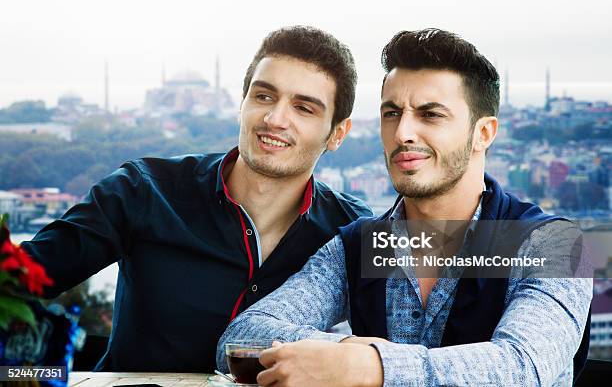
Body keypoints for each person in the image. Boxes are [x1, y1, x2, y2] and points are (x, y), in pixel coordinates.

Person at [217, 29, 592, 386]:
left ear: (484, 133)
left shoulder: (554, 244)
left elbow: (525, 369)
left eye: (430, 115)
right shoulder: (361, 246)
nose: (402, 134)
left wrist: (371, 367)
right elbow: (241, 339)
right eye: (392, 113)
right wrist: (346, 351)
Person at [21, 26, 372, 372]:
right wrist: (23, 376)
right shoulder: (143, 190)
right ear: (242, 102)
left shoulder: (359, 229)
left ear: (337, 134)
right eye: (263, 96)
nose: (274, 119)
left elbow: (414, 338)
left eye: (304, 108)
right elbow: (20, 277)